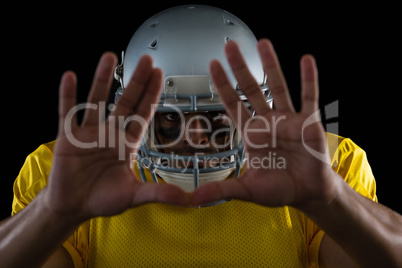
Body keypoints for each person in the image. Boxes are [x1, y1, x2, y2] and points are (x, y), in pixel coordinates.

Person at [1, 5, 402, 267]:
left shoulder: (324, 165)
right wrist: (53, 214)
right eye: (170, 120)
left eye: (216, 116)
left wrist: (331, 200)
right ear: (135, 112)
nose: (195, 138)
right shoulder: (66, 172)